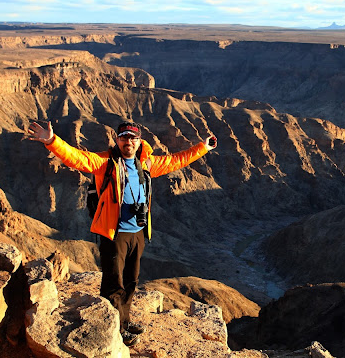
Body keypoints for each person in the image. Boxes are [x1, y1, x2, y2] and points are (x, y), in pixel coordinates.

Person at [27, 120, 217, 346]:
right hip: (114, 233)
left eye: (133, 138)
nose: (128, 142)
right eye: (124, 137)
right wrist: (51, 141)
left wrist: (203, 147)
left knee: (130, 281)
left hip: (138, 232)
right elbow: (76, 157)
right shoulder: (105, 163)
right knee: (113, 283)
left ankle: (124, 322)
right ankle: (113, 329)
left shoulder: (145, 164)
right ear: (117, 140)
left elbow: (175, 161)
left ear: (139, 142)